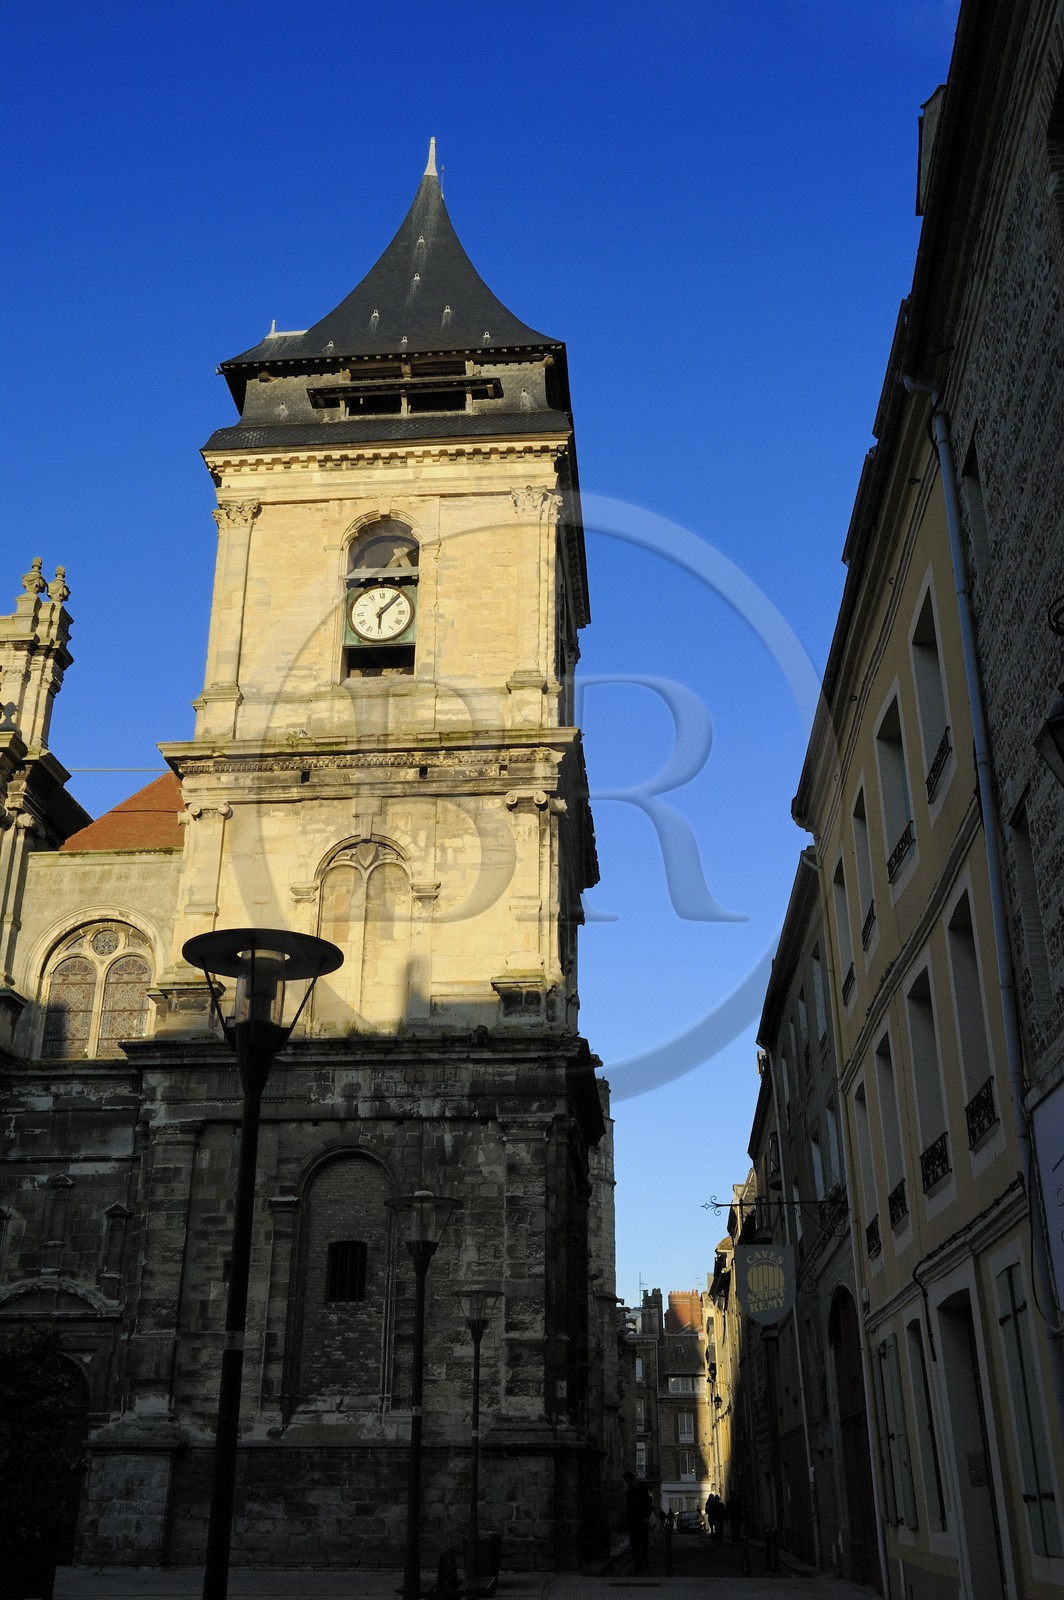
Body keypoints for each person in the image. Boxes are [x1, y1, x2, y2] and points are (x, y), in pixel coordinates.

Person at [623, 1470, 654, 1571]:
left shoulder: (640, 1488)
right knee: (636, 1545)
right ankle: (640, 1564)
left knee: (642, 1544)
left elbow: (647, 1503)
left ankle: (644, 1562)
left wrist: (646, 1516)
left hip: (640, 1520)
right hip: (634, 1521)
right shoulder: (630, 1490)